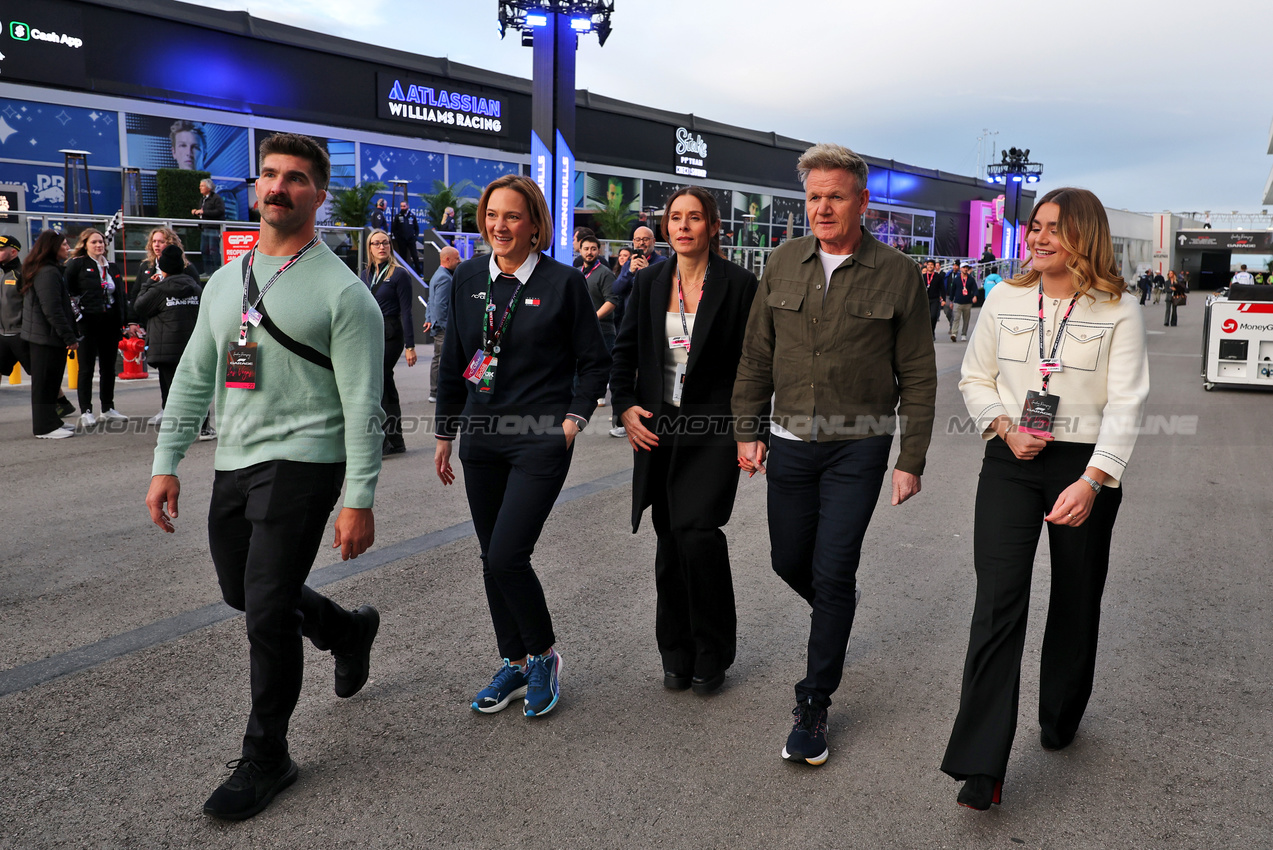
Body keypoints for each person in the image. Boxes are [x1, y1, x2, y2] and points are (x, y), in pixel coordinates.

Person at [144, 133, 385, 821]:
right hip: (236, 459)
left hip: (307, 460)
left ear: (318, 194)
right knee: (240, 592)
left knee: (267, 611)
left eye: (296, 178)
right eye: (270, 175)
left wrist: (358, 500)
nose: (278, 187)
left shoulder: (344, 293)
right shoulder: (225, 281)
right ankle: (344, 630)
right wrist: (166, 464)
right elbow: (192, 380)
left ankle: (267, 756)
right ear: (256, 188)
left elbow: (363, 404)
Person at [942, 187, 1149, 810]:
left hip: (1082, 466)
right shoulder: (1003, 297)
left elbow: (1127, 402)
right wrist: (1004, 426)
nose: (1039, 238)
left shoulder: (1119, 308)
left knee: (1075, 598)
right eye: (1035, 227)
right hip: (1010, 460)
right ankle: (982, 764)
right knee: (998, 602)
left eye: (1054, 228)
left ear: (1085, 235)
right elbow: (974, 377)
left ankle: (1061, 712)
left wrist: (1094, 479)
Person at [732, 143, 937, 766]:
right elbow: (756, 354)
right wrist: (748, 429)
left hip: (860, 445)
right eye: (814, 196)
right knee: (788, 559)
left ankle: (814, 701)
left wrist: (912, 459)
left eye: (835, 195)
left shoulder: (898, 272)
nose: (823, 207)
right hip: (790, 441)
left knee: (833, 568)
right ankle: (836, 608)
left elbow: (919, 374)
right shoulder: (782, 261)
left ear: (862, 201)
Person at [433, 174, 610, 719]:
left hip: (539, 439)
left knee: (509, 553)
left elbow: (594, 360)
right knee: (492, 559)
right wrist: (444, 432)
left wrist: (573, 420)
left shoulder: (562, 282)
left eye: (512, 216)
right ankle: (512, 661)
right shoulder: (465, 277)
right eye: (492, 215)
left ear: (535, 224)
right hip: (481, 438)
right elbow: (456, 359)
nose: (499, 226)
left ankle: (543, 655)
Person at [609, 186, 758, 695]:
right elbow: (625, 349)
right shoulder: (649, 280)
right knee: (668, 537)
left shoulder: (740, 285)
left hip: (714, 427)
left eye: (695, 218)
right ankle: (676, 653)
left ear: (713, 227)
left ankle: (713, 651)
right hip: (658, 425)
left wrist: (750, 430)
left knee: (698, 534)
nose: (684, 226)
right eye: (676, 218)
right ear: (666, 226)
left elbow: (754, 364)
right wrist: (624, 404)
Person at [0, 234, 74, 420]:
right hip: (2, 333)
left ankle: (61, 405)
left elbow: (35, 303)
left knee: (41, 374)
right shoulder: (2, 274)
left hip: (21, 334)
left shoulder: (22, 273)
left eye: (1, 249)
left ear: (13, 252)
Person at [65, 228, 133, 426]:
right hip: (87, 323)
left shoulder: (112, 267)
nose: (99, 245)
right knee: (85, 368)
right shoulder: (77, 265)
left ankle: (108, 407)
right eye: (94, 242)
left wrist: (125, 320)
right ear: (85, 244)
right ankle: (86, 410)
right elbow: (67, 293)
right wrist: (75, 318)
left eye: (101, 242)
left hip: (110, 323)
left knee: (108, 367)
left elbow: (121, 296)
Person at [19, 231, 79, 439]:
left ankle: (53, 420)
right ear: (52, 247)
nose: (67, 248)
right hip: (44, 337)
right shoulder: (47, 273)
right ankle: (44, 427)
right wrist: (69, 337)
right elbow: (52, 309)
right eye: (64, 244)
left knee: (52, 382)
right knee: (44, 384)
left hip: (49, 336)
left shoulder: (51, 270)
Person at [361, 228, 416, 455]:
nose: (381, 247)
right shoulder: (365, 275)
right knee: (386, 386)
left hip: (392, 334)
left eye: (385, 243)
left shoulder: (399, 274)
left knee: (379, 382)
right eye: (376, 243)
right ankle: (396, 441)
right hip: (370, 335)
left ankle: (383, 441)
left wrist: (410, 346)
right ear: (370, 248)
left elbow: (407, 311)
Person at [134, 244, 202, 420]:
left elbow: (139, 306)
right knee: (194, 387)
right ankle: (203, 425)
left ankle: (176, 427)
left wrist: (148, 284)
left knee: (172, 390)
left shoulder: (159, 290)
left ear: (163, 268)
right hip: (191, 346)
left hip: (166, 350)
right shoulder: (194, 287)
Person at [610, 227, 667, 438]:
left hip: (651, 323)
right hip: (627, 322)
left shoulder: (662, 263)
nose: (641, 243)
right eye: (637, 240)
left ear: (653, 241)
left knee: (644, 372)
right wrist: (632, 272)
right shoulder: (629, 262)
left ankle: (645, 415)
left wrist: (644, 273)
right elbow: (616, 289)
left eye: (645, 239)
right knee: (623, 367)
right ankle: (623, 415)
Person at [425, 246, 459, 403]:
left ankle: (435, 391)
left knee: (438, 358)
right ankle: (436, 392)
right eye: (457, 258)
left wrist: (429, 318)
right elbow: (440, 306)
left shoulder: (437, 275)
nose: (459, 261)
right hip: (443, 329)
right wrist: (447, 328)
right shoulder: (445, 278)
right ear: (447, 259)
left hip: (437, 325)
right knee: (441, 360)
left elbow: (431, 302)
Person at [134, 227, 198, 310]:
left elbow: (197, 293)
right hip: (148, 316)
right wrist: (132, 320)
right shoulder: (146, 265)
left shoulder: (186, 267)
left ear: (171, 244)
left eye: (161, 242)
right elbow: (135, 293)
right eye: (154, 241)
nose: (156, 245)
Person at [948, 262, 979, 342]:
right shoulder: (957, 279)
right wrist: (951, 301)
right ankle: (954, 333)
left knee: (966, 319)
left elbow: (975, 288)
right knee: (956, 318)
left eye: (966, 268)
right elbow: (953, 290)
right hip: (957, 302)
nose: (965, 269)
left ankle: (964, 334)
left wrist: (975, 296)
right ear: (961, 269)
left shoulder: (971, 279)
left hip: (967, 302)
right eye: (964, 267)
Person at [392, 200, 420, 272]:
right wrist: (397, 237)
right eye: (401, 206)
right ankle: (403, 271)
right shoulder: (398, 216)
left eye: (404, 206)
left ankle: (419, 272)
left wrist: (415, 236)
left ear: (407, 206)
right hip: (401, 240)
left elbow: (416, 228)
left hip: (411, 239)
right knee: (402, 256)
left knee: (414, 255)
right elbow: (394, 228)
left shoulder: (412, 216)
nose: (402, 208)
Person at [921, 259, 945, 339]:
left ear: (934, 267)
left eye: (932, 265)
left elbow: (942, 289)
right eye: (928, 265)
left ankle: (932, 331)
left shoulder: (938, 277)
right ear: (926, 266)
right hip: (924, 300)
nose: (930, 266)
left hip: (935, 299)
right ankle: (926, 332)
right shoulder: (923, 277)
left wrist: (944, 299)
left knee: (933, 316)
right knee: (925, 317)